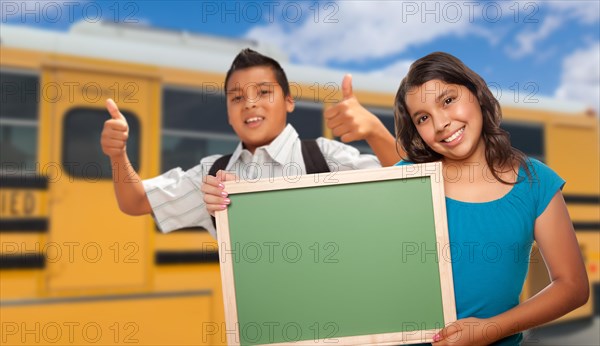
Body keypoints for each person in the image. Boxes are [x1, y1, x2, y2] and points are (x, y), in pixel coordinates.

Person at [392, 52, 588, 345]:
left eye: (448, 100)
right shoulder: (405, 180)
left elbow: (572, 286)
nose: (441, 122)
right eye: (423, 118)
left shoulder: (535, 181)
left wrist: (490, 329)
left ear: (476, 92)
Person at [101, 48, 401, 238]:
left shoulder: (325, 157)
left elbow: (409, 186)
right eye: (236, 98)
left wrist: (375, 131)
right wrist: (118, 155)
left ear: (289, 101)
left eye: (263, 92)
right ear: (229, 115)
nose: (249, 104)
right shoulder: (212, 175)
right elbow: (135, 201)